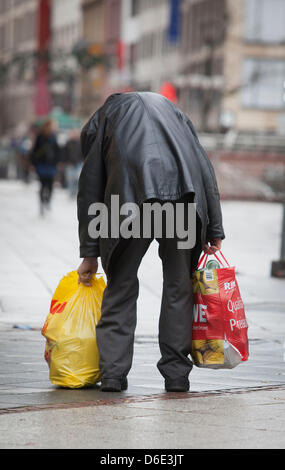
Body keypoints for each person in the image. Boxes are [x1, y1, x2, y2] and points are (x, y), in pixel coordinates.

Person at [77, 92, 225, 393]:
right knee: (178, 288)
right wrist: (215, 231)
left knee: (120, 286)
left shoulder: (106, 118)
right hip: (183, 202)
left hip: (130, 203)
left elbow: (91, 188)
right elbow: (205, 171)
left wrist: (90, 254)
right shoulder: (175, 114)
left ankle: (113, 375)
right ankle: (176, 376)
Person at [30, 119, 60, 216]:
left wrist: (57, 162)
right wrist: (33, 164)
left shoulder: (54, 137)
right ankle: (42, 203)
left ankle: (47, 200)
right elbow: (34, 151)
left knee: (50, 186)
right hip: (42, 165)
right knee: (43, 185)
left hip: (51, 165)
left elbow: (57, 150)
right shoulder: (40, 137)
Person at [64, 129, 84, 198]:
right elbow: (64, 153)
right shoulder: (68, 143)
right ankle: (71, 193)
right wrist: (66, 161)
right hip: (70, 164)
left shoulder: (81, 142)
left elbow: (83, 153)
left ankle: (75, 192)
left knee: (77, 179)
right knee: (70, 179)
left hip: (79, 163)